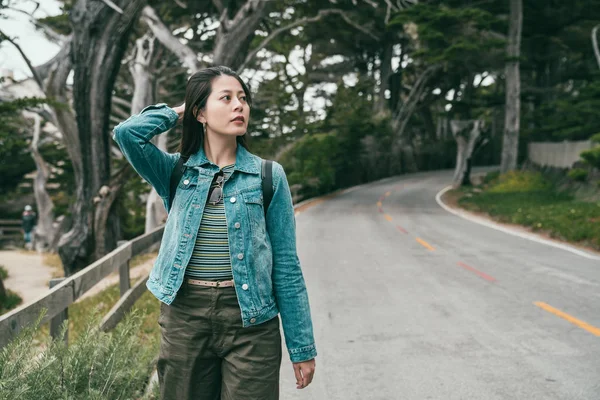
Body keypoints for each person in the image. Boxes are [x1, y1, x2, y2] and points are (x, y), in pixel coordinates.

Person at [112, 66, 316, 400]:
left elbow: (287, 266)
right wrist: (182, 110)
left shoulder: (268, 176)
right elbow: (127, 134)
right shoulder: (175, 170)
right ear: (201, 113)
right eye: (227, 98)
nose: (240, 106)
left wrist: (301, 347)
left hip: (252, 319)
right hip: (185, 318)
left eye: (243, 98)